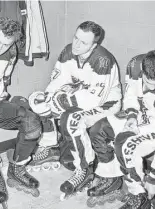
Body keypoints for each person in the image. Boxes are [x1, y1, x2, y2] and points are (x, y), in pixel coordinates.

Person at [28, 21, 122, 199]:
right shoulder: (68, 51)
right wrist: (47, 97)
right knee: (41, 103)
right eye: (76, 38)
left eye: (83, 42)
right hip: (78, 96)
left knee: (71, 120)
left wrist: (62, 100)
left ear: (94, 44)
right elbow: (57, 81)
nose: (77, 45)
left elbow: (94, 100)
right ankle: (51, 147)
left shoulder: (103, 60)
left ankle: (84, 170)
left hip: (105, 104)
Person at [0, 17, 42, 207]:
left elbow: (3, 78)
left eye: (6, 44)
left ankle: (17, 168)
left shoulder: (10, 52)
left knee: (32, 124)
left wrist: (1, 93)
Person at [86, 50, 155, 208]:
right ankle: (112, 178)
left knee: (125, 146)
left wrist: (152, 178)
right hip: (138, 116)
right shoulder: (135, 66)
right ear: (143, 71)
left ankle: (140, 195)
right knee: (99, 129)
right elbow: (131, 95)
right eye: (148, 82)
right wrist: (131, 116)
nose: (150, 87)